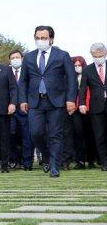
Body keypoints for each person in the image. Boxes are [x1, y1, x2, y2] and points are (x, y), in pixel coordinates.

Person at [18, 26, 77, 178]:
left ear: (51, 39)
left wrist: (71, 99)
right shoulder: (29, 57)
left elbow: (71, 79)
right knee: (36, 133)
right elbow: (23, 81)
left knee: (55, 135)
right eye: (38, 38)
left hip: (56, 102)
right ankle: (46, 155)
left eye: (44, 38)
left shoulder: (62, 55)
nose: (40, 41)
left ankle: (54, 167)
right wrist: (22, 99)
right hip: (35, 102)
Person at [78, 43, 107, 170]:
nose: (98, 58)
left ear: (105, 53)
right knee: (99, 136)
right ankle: (104, 162)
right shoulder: (87, 70)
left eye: (100, 56)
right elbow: (83, 88)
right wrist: (82, 103)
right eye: (95, 56)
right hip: (96, 107)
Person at [8, 51, 34, 170]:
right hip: (11, 110)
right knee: (11, 135)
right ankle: (14, 160)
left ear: (22, 58)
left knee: (27, 137)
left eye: (17, 57)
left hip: (26, 109)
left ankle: (27, 162)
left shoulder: (28, 71)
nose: (15, 59)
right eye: (12, 58)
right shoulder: (6, 72)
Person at [64, 56, 88, 169]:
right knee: (71, 134)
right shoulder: (68, 77)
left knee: (82, 134)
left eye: (79, 65)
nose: (77, 67)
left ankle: (84, 159)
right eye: (75, 65)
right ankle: (72, 159)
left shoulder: (87, 76)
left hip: (84, 109)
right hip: (70, 109)